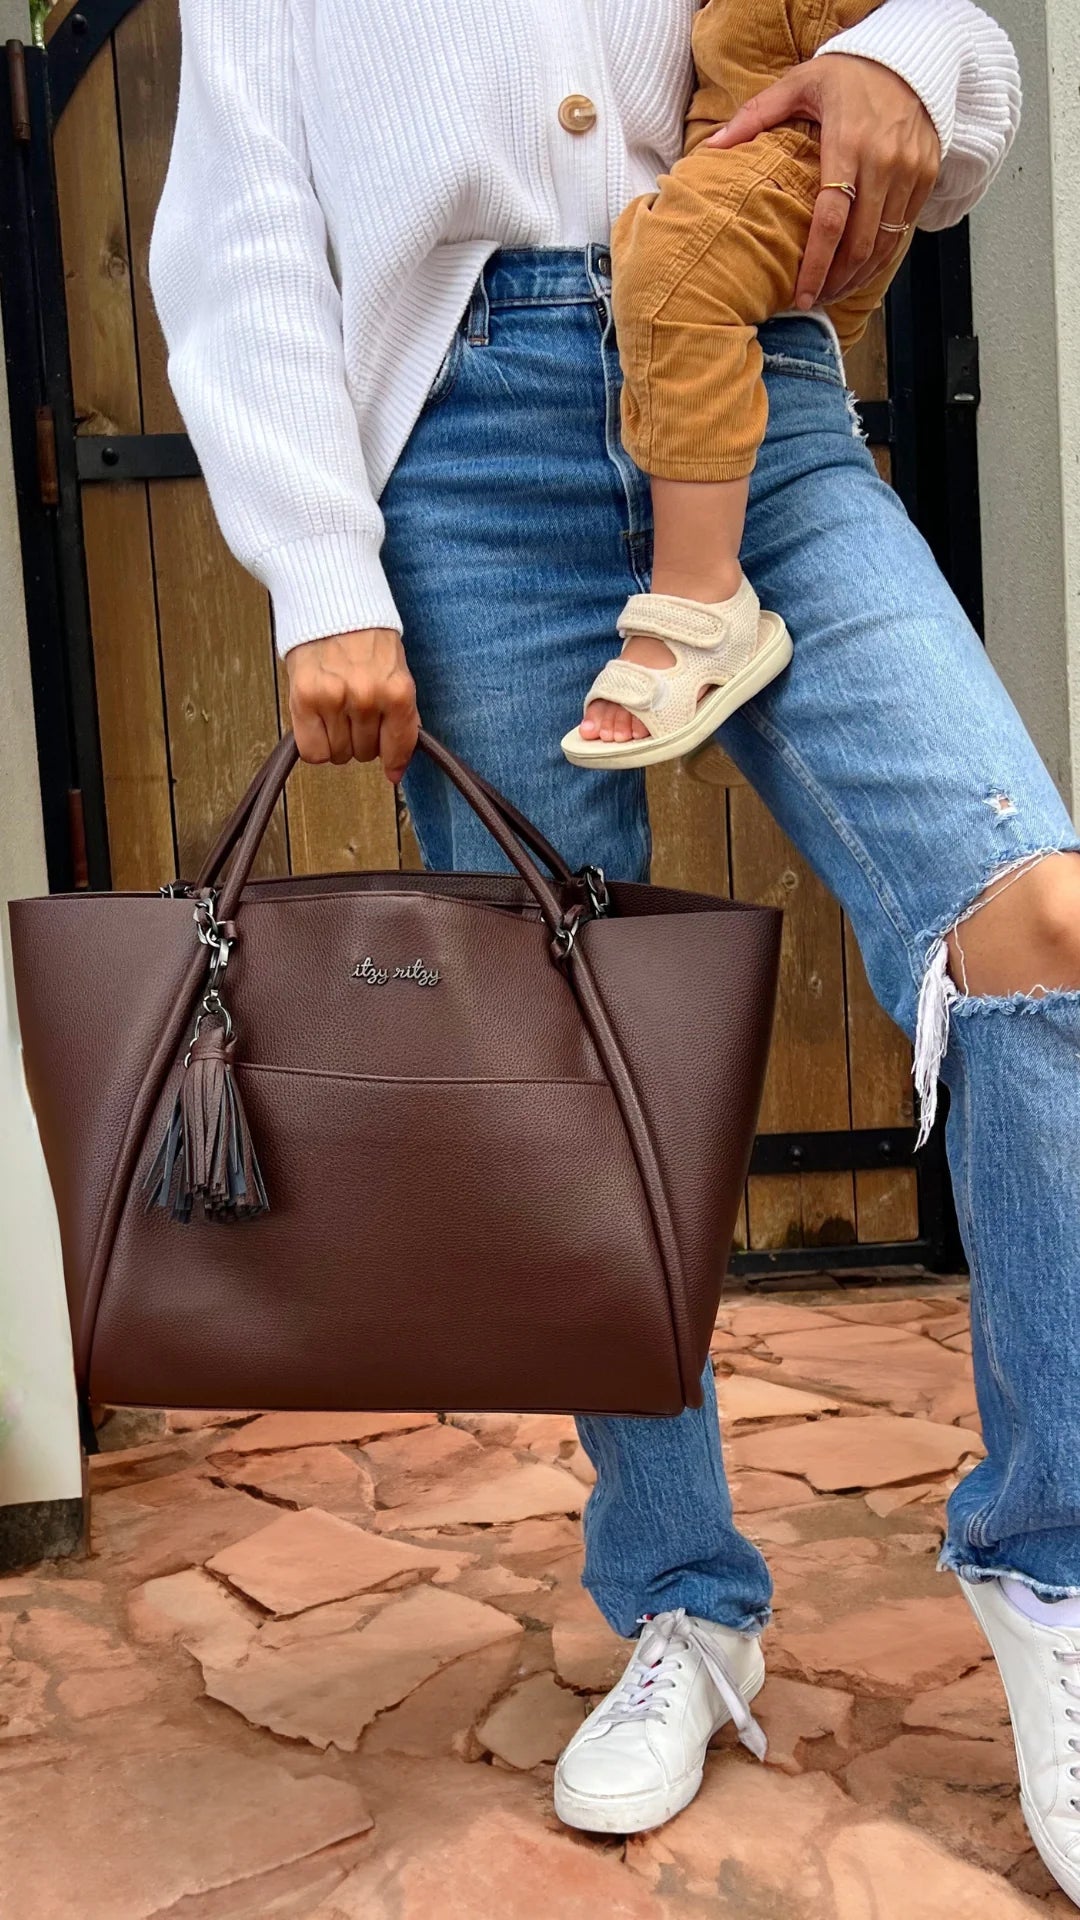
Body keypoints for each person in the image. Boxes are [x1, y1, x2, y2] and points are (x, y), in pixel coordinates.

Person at [149, 2, 1080, 1902]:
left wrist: (909, 66)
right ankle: (682, 1596)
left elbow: (939, 40)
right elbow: (239, 226)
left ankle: (1052, 1569)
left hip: (760, 402)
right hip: (458, 456)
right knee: (567, 1057)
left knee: (1038, 926)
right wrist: (320, 570)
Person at [562, 0, 903, 771]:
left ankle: (700, 596)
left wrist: (911, 59)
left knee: (670, 271)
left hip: (804, 143)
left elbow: (964, 46)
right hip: (743, 153)